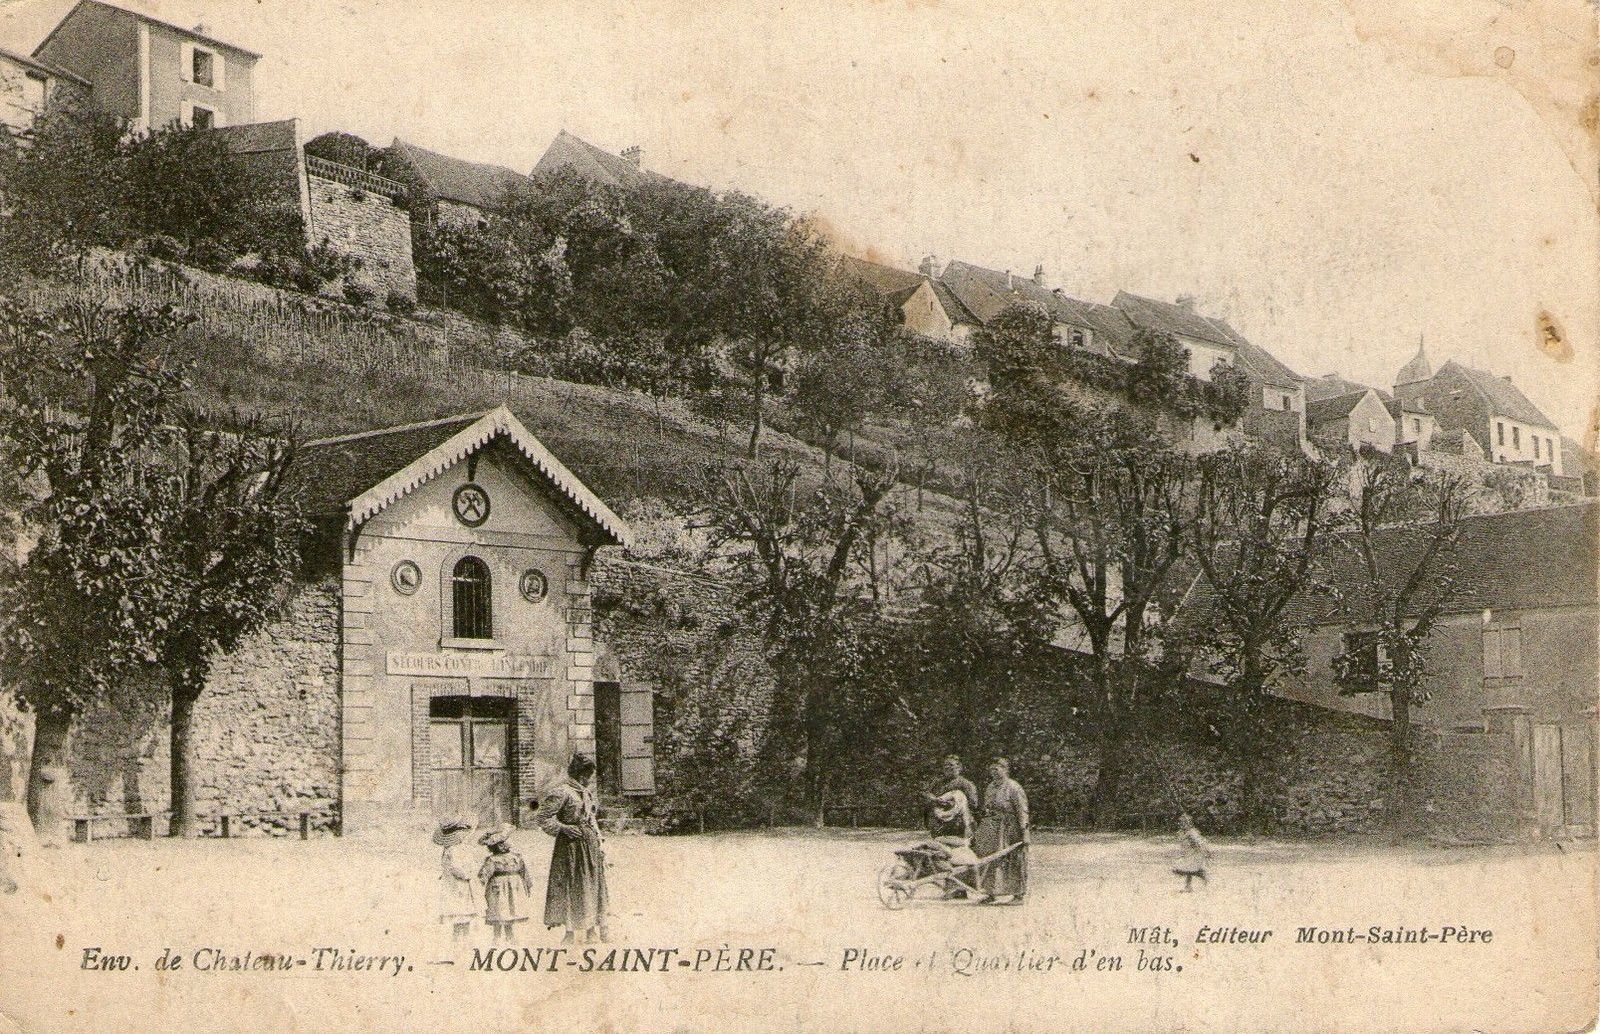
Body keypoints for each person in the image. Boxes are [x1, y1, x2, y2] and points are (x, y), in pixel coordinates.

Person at [535, 753, 610, 944]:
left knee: (591, 886)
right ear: (580, 774)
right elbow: (543, 818)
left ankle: (591, 931)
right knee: (572, 886)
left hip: (590, 846)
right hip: (570, 847)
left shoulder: (586, 793)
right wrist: (564, 828)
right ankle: (569, 933)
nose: (589, 780)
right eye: (587, 775)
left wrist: (599, 842)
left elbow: (591, 819)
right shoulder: (562, 792)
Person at [973, 757, 1029, 905]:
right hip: (993, 827)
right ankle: (991, 893)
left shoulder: (1014, 787)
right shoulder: (990, 787)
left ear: (1006, 770)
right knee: (990, 858)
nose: (994, 772)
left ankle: (1018, 895)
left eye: (997, 769)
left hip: (1011, 828)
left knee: (1014, 858)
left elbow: (1022, 811)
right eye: (992, 769)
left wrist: (1024, 832)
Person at [477, 825, 533, 943]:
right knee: (499, 910)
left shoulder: (515, 857)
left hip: (511, 887)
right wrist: (481, 882)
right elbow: (484, 874)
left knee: (508, 909)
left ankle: (509, 936)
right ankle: (498, 937)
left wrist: (527, 884)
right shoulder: (493, 860)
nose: (503, 846)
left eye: (504, 843)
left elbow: (524, 871)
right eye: (500, 844)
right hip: (498, 888)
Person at [433, 817, 478, 942]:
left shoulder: (449, 849)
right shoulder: (453, 850)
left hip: (452, 883)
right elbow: (455, 867)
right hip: (458, 884)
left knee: (460, 910)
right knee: (461, 909)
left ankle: (460, 937)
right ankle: (461, 937)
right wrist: (466, 875)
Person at [923, 756, 980, 838]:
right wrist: (934, 799)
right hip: (939, 822)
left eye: (950, 765)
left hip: (958, 823)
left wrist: (954, 803)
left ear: (959, 767)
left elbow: (973, 804)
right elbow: (927, 795)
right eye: (945, 765)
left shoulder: (966, 784)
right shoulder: (937, 783)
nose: (947, 767)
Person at [1173, 812, 1213, 892]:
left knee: (1190, 869)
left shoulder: (1192, 832)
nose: (1182, 824)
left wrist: (1206, 851)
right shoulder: (1181, 832)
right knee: (1188, 869)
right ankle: (1189, 885)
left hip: (1195, 853)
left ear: (1189, 824)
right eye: (1181, 823)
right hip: (1189, 853)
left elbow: (1199, 843)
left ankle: (1203, 878)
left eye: (1184, 823)